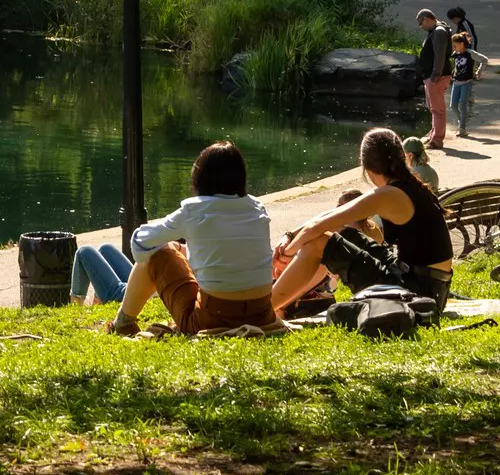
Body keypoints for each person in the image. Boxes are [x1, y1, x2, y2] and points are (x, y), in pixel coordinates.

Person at [270, 127, 456, 313]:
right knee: (338, 233)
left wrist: (285, 254)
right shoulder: (406, 185)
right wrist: (290, 235)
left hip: (419, 293)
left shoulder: (390, 195)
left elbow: (317, 227)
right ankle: (280, 306)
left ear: (366, 167)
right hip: (425, 285)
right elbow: (330, 218)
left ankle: (263, 312)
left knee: (319, 243)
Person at [104, 141, 278, 337]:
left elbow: (140, 245)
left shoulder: (193, 210)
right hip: (262, 315)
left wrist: (175, 243)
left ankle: (122, 323)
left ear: (200, 177)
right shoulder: (257, 207)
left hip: (212, 319)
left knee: (158, 253)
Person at [413, 10, 454, 149]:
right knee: (433, 108)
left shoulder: (439, 32)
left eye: (421, 23)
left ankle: (437, 140)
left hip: (437, 76)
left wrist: (435, 76)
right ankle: (433, 135)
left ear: (427, 19)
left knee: (438, 110)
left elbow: (439, 55)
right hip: (431, 76)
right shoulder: (436, 31)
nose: (421, 26)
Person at [448, 32, 490, 137]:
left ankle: (462, 128)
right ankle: (460, 120)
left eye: (455, 45)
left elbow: (484, 60)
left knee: (462, 105)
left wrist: (479, 71)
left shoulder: (470, 53)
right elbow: (449, 62)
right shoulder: (455, 54)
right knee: (453, 106)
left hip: (466, 82)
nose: (453, 48)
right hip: (456, 82)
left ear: (462, 44)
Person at [71, 240, 135, 305]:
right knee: (105, 249)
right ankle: (98, 299)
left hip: (128, 294)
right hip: (140, 283)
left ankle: (76, 305)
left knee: (83, 251)